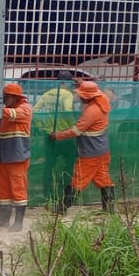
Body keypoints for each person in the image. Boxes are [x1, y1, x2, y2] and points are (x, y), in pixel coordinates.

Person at [49, 79, 113, 214]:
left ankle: (62, 207)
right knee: (103, 179)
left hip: (90, 152)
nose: (79, 97)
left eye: (81, 95)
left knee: (78, 180)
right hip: (102, 149)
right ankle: (109, 209)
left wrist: (57, 135)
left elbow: (76, 131)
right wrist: (82, 83)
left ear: (87, 97)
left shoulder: (92, 111)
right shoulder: (101, 103)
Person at [0, 82, 32, 230]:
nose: (4, 100)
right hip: (4, 157)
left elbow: (11, 114)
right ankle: (3, 220)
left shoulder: (25, 109)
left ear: (16, 97)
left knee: (18, 189)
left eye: (7, 97)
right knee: (3, 190)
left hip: (17, 157)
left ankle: (18, 223)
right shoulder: (6, 110)